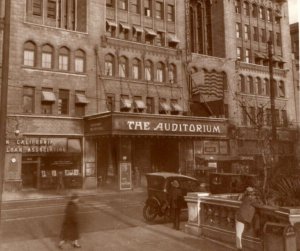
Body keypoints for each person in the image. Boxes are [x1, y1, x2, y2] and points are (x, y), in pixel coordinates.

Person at [235, 187, 262, 251]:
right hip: (243, 218)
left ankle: (239, 248)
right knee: (239, 234)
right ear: (251, 194)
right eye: (252, 193)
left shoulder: (244, 198)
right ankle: (239, 248)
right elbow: (260, 205)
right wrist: (258, 199)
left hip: (239, 217)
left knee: (239, 234)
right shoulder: (251, 200)